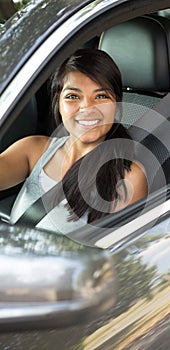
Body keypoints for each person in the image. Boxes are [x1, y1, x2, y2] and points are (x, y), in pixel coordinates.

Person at [0, 48, 148, 234]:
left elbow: (121, 253)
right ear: (58, 104)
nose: (87, 107)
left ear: (117, 108)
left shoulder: (128, 177)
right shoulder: (33, 149)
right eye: (73, 96)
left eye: (101, 96)